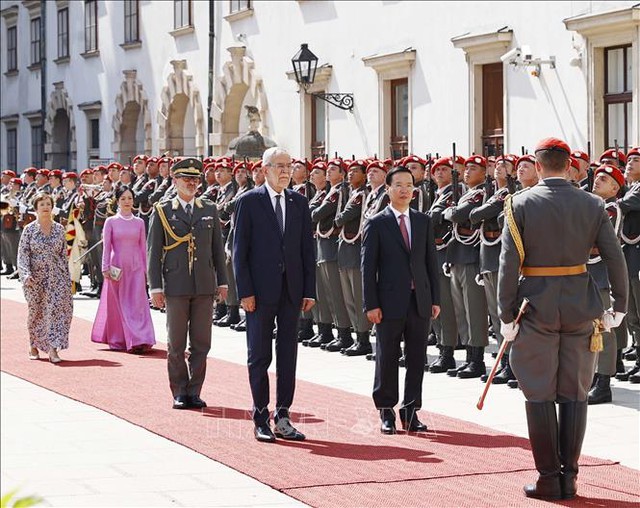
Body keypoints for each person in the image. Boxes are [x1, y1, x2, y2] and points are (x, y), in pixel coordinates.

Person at [497, 138, 628, 500]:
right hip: (579, 304)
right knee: (574, 392)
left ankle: (548, 478)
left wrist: (505, 314)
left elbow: (508, 265)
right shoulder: (592, 203)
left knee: (538, 392)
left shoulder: (518, 203)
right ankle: (569, 478)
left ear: (538, 167)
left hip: (535, 306)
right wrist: (619, 305)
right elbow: (614, 258)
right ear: (570, 166)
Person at [233, 146, 316, 443]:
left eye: (288, 165)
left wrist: (309, 289)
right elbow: (239, 253)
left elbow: (308, 249)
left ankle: (283, 415)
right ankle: (260, 416)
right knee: (259, 355)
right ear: (264, 169)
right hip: (260, 291)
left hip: (292, 290)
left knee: (288, 354)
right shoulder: (249, 202)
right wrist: (245, 292)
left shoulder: (299, 202)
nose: (284, 171)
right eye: (278, 165)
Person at [362, 166, 440, 434]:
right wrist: (370, 304)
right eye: (399, 185)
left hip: (419, 300)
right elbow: (368, 268)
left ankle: (411, 410)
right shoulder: (376, 223)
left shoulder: (422, 221)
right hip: (387, 302)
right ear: (388, 190)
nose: (405, 190)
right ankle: (386, 411)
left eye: (409, 185)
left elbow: (431, 263)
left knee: (417, 357)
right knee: (387, 357)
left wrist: (435, 298)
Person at [147, 158, 228, 410]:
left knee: (202, 342)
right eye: (186, 179)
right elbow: (153, 251)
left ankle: (195, 390)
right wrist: (155, 287)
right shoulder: (162, 211)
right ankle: (179, 391)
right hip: (176, 285)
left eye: (195, 179)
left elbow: (217, 249)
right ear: (175, 181)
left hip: (204, 285)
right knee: (176, 344)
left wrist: (222, 282)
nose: (192, 183)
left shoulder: (209, 209)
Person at [91, 186, 156, 353]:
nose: (127, 202)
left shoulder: (140, 222)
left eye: (130, 198)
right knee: (119, 304)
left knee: (137, 304)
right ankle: (120, 338)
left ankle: (140, 338)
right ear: (117, 201)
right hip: (117, 267)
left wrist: (147, 272)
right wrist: (105, 267)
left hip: (136, 267)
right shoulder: (111, 221)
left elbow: (143, 248)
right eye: (123, 199)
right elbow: (107, 247)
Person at [17, 192, 73, 364]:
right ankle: (33, 343)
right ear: (36, 208)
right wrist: (26, 275)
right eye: (42, 205)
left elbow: (63, 255)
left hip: (56, 278)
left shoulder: (59, 229)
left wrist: (67, 279)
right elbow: (23, 255)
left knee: (56, 311)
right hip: (34, 279)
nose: (46, 207)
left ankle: (53, 349)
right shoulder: (29, 230)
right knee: (36, 313)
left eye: (48, 204)